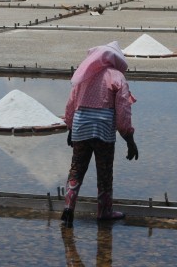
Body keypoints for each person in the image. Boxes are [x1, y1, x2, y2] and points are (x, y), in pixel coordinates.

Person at [61, 41, 138, 227]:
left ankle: (68, 208)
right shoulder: (116, 76)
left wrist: (71, 128)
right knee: (104, 172)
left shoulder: (84, 74)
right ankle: (104, 212)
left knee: (76, 169)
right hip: (103, 128)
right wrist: (129, 138)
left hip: (81, 125)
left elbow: (71, 104)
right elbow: (123, 111)